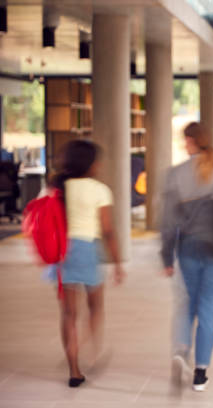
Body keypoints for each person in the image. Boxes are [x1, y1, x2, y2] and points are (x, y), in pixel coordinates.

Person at [160, 122, 213, 391]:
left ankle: (181, 350)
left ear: (189, 141)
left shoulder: (175, 175)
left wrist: (166, 255)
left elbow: (168, 221)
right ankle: (200, 373)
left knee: (186, 304)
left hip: (188, 248)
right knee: (209, 309)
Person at [50, 140, 124, 387]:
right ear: (91, 164)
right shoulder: (99, 189)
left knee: (69, 314)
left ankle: (74, 369)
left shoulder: (57, 187)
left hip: (62, 251)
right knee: (95, 308)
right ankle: (89, 350)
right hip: (87, 249)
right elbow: (108, 230)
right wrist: (117, 263)